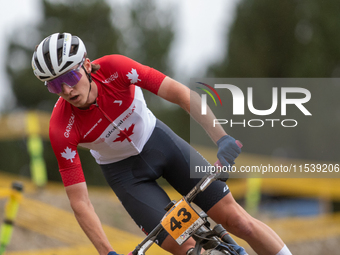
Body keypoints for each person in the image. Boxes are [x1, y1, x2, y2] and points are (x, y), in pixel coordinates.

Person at [31, 32, 292, 255]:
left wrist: (221, 138)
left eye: (69, 78)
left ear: (87, 65)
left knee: (238, 221)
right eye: (54, 85)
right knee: (187, 248)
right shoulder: (60, 127)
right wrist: (106, 251)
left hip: (162, 144)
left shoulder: (117, 69)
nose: (66, 90)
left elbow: (181, 95)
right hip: (127, 177)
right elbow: (80, 201)